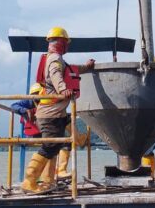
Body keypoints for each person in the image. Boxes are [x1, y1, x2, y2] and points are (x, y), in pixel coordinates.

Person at [20, 27, 95, 192]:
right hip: (50, 113)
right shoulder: (54, 59)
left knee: (54, 146)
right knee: (49, 146)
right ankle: (29, 181)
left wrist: (86, 67)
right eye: (66, 43)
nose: (67, 46)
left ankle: (48, 180)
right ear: (61, 43)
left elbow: (71, 70)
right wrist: (62, 89)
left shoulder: (58, 59)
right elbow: (56, 75)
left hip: (55, 113)